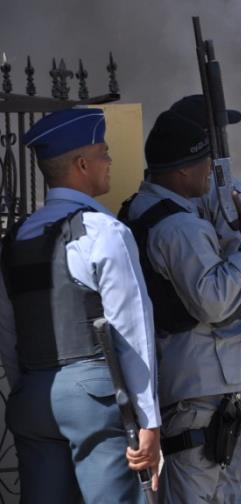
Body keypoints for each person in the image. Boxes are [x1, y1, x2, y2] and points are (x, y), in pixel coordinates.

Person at [0, 108, 161, 503]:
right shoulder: (104, 232)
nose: (110, 162)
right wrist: (150, 422)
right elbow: (132, 333)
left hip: (33, 398)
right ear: (82, 164)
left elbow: (7, 331)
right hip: (95, 400)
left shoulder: (16, 238)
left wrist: (27, 388)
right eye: (104, 153)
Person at [119, 109, 241, 503]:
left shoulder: (153, 210)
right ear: (183, 171)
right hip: (200, 388)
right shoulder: (180, 227)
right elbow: (214, 302)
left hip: (197, 384)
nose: (211, 170)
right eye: (204, 161)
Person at [168, 94, 241, 502]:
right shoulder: (228, 191)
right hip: (227, 361)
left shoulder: (159, 199)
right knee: (222, 480)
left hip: (177, 368)